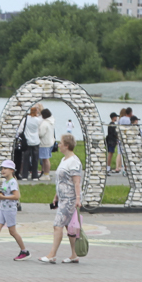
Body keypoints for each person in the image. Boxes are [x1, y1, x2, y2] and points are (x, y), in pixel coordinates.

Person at [41, 134, 83, 265]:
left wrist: (78, 199)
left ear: (67, 145)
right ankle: (74, 255)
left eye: (60, 143)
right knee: (68, 227)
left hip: (70, 199)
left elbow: (77, 182)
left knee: (57, 225)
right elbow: (61, 180)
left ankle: (52, 255)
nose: (58, 145)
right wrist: (56, 195)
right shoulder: (64, 160)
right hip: (63, 198)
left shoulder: (74, 161)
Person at [37, 108, 56, 180]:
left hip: (44, 143)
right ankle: (46, 173)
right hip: (50, 142)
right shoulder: (51, 121)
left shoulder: (44, 123)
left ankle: (46, 174)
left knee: (45, 159)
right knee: (46, 159)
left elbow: (41, 134)